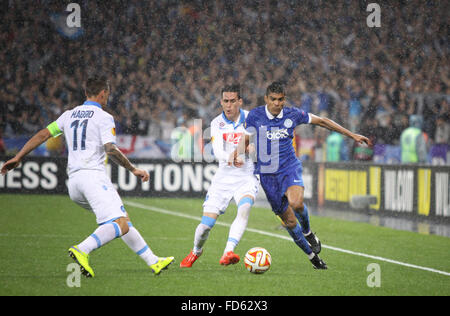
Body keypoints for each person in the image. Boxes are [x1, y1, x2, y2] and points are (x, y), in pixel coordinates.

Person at [0, 76, 174, 277]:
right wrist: (132, 169)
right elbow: (110, 149)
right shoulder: (103, 117)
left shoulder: (69, 115)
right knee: (119, 223)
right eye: (107, 93)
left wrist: (18, 157)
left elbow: (43, 135)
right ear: (103, 93)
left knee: (122, 220)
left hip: (74, 183)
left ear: (85, 93)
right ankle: (83, 248)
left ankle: (153, 261)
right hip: (93, 177)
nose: (108, 96)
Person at [230, 82, 370, 270]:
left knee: (296, 203)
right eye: (273, 99)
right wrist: (237, 153)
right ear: (266, 99)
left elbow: (322, 121)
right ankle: (313, 258)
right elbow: (246, 138)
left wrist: (351, 135)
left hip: (289, 167)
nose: (277, 103)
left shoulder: (293, 114)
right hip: (267, 175)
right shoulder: (255, 115)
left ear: (284, 99)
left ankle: (308, 232)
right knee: (288, 221)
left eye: (280, 100)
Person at [180, 84, 260, 268]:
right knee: (205, 226)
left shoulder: (252, 118)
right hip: (224, 177)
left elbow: (262, 148)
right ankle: (196, 251)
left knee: (244, 209)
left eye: (233, 101)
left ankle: (228, 252)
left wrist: (253, 151)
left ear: (240, 101)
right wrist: (233, 157)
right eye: (226, 101)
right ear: (221, 102)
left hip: (247, 175)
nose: (229, 105)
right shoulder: (217, 123)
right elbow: (217, 152)